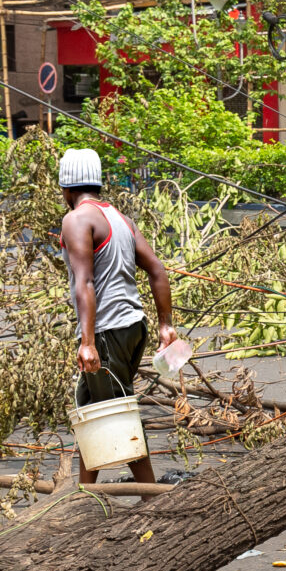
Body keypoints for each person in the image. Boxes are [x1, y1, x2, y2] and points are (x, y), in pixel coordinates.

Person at [56, 148, 177, 486]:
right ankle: (83, 494)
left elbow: (86, 281)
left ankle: (151, 497)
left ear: (66, 189)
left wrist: (88, 341)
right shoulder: (120, 219)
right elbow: (157, 270)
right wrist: (165, 325)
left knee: (117, 414)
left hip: (108, 331)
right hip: (132, 326)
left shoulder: (77, 219)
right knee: (91, 405)